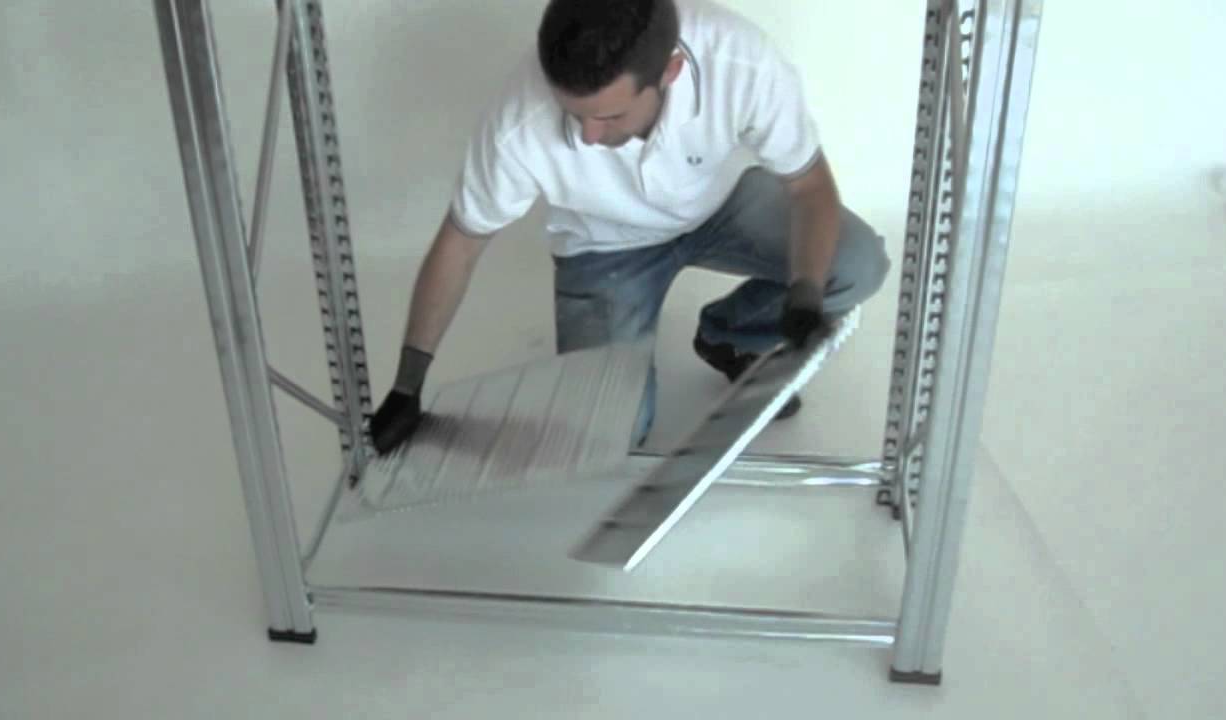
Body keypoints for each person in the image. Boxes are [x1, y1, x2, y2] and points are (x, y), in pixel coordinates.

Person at [369, 0, 891, 455]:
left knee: (855, 265)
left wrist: (804, 292)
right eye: (574, 114)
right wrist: (407, 385)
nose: (588, 136)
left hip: (721, 203)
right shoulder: (517, 121)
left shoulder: (739, 60)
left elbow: (809, 187)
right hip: (605, 246)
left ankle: (729, 337)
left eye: (610, 116)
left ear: (670, 71)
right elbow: (461, 242)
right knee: (611, 433)